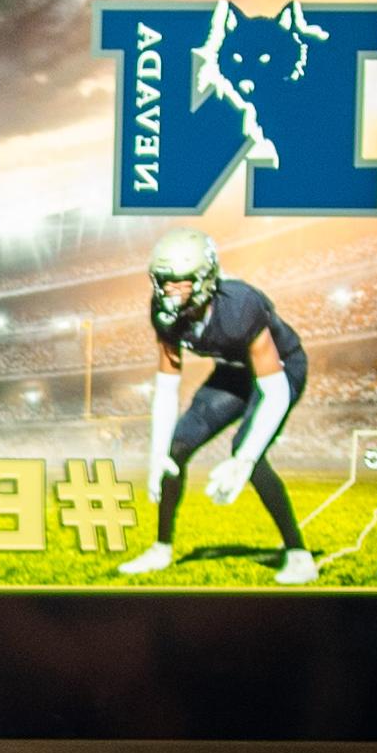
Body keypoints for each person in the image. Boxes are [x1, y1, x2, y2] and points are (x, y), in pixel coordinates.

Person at [114, 227, 321, 585]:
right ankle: (161, 549)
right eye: (165, 281)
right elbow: (166, 386)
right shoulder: (162, 312)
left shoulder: (241, 306)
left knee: (247, 451)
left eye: (182, 282)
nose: (171, 291)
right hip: (232, 373)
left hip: (280, 371)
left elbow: (273, 390)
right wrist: (156, 452)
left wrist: (245, 457)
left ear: (207, 278)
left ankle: (299, 555)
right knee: (174, 448)